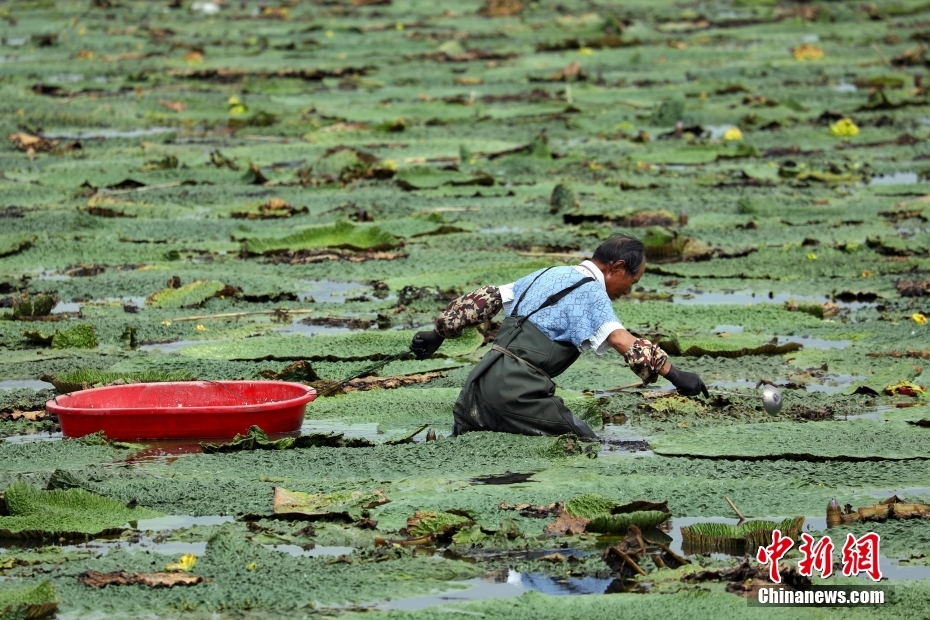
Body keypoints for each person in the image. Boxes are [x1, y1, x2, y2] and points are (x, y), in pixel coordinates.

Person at [408, 234, 708, 438]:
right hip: (517, 393)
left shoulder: (546, 273)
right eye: (632, 281)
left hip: (476, 386)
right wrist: (677, 375)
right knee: (582, 444)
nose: (629, 291)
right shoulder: (592, 292)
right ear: (616, 267)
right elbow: (622, 342)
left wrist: (436, 334)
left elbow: (482, 301)